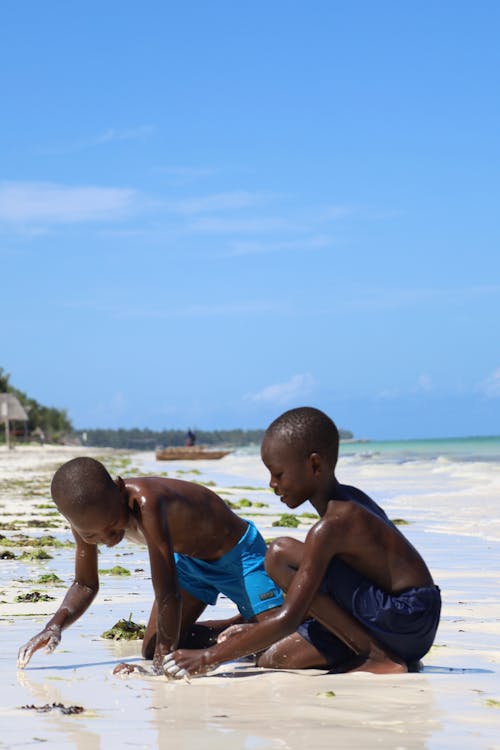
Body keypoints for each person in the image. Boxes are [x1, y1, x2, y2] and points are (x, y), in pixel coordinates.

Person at [163, 406, 441, 679]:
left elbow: (289, 617)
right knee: (273, 659)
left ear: (315, 465)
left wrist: (207, 657)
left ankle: (376, 656)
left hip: (406, 617)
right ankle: (369, 650)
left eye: (279, 474)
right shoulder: (348, 499)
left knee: (279, 554)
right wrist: (249, 631)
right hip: (412, 625)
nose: (272, 484)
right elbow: (334, 589)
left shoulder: (333, 525)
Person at [17, 457, 283, 674]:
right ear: (74, 524)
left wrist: (159, 668)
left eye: (112, 525)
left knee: (274, 643)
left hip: (237, 555)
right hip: (190, 563)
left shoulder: (147, 503)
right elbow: (85, 584)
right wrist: (54, 626)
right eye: (93, 536)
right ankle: (237, 624)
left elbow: (168, 593)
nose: (107, 540)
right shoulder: (85, 522)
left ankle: (257, 621)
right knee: (152, 646)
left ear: (120, 490)